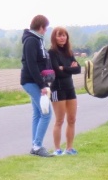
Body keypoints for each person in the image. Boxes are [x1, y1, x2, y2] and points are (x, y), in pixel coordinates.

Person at [20, 14, 55, 157]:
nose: (46, 30)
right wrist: (41, 85)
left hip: (33, 81)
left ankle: (35, 145)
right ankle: (38, 145)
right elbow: (31, 64)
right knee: (46, 113)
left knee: (37, 113)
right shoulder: (31, 41)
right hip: (31, 81)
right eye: (45, 27)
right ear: (40, 27)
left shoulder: (37, 40)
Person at [48, 27, 81, 155]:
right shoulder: (51, 53)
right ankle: (57, 149)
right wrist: (68, 68)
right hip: (58, 89)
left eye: (64, 35)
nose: (62, 38)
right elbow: (57, 72)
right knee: (60, 120)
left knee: (72, 119)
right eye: (59, 35)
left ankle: (69, 148)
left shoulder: (69, 52)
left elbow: (78, 69)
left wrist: (64, 68)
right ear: (54, 38)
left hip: (70, 89)